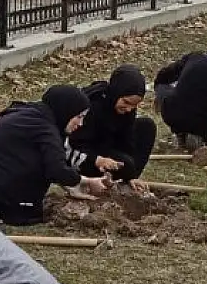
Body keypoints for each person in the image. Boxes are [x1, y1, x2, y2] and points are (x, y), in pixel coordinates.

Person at [0, 85, 110, 226]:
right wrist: (86, 181)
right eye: (79, 117)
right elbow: (56, 170)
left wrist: (71, 186)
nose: (80, 124)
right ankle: (10, 211)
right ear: (66, 110)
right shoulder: (45, 129)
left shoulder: (30, 115)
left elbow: (52, 162)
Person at [65, 65, 156, 193]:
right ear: (116, 92)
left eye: (134, 105)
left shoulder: (128, 111)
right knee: (127, 164)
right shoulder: (92, 106)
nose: (129, 109)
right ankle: (98, 181)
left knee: (146, 126)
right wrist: (97, 159)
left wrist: (131, 175)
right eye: (126, 102)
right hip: (86, 157)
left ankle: (130, 179)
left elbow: (127, 139)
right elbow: (75, 145)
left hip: (108, 148)